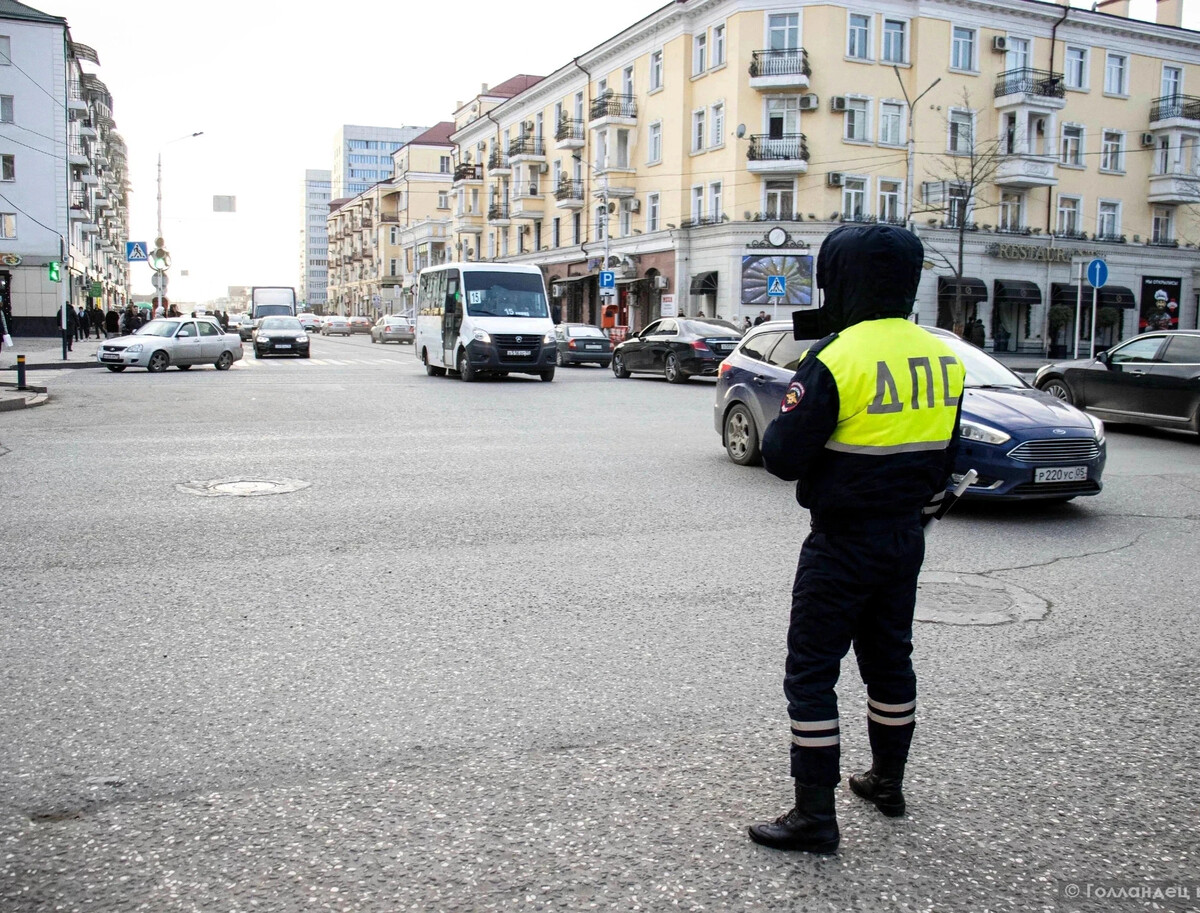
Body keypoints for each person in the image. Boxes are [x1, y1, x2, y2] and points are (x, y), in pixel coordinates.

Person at [748, 223, 965, 854]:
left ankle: (814, 816)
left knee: (812, 674)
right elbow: (946, 450)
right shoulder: (941, 354)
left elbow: (783, 456)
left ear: (839, 280)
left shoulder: (836, 356)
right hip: (907, 537)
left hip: (841, 542)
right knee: (890, 661)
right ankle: (886, 782)